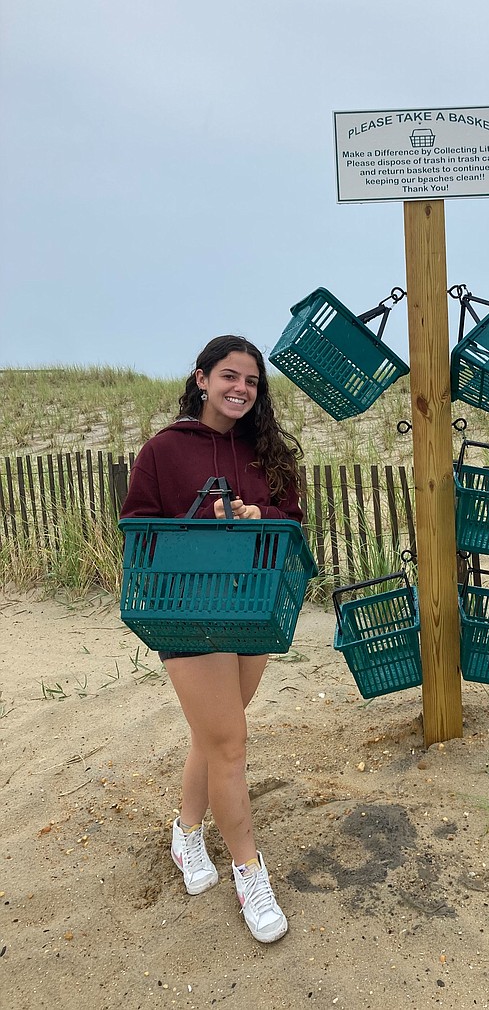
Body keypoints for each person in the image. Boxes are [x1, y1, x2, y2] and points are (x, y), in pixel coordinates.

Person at [120, 334, 303, 944]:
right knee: (230, 742)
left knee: (215, 730)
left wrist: (258, 517)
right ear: (201, 378)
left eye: (251, 381)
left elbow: (293, 520)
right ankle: (250, 872)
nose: (240, 389)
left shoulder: (268, 452)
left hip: (251, 606)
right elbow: (139, 527)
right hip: (186, 610)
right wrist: (200, 524)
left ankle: (185, 832)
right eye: (229, 376)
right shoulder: (164, 451)